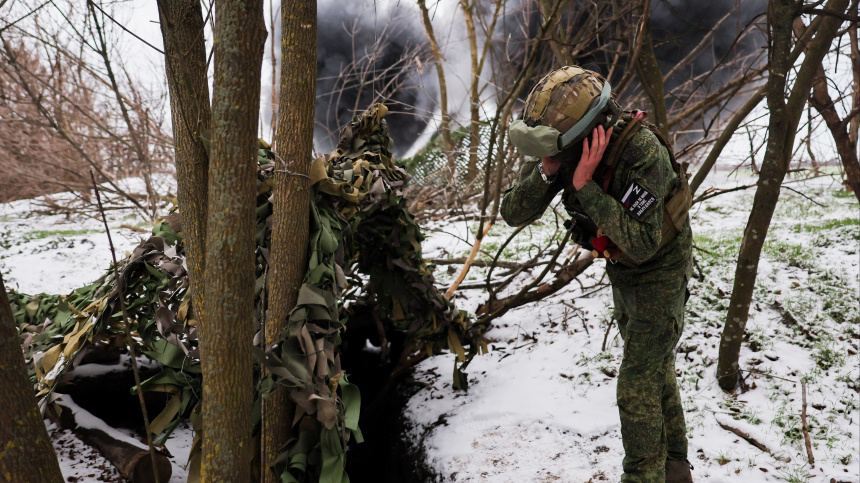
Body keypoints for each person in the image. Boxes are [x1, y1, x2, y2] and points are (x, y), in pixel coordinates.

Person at [500, 65, 694, 483]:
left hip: (660, 270)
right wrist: (548, 169)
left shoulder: (641, 151)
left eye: (553, 150)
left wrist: (585, 186)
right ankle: (676, 470)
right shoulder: (562, 150)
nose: (549, 157)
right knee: (655, 368)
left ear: (587, 131)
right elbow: (512, 212)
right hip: (622, 269)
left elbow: (643, 244)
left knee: (636, 384)